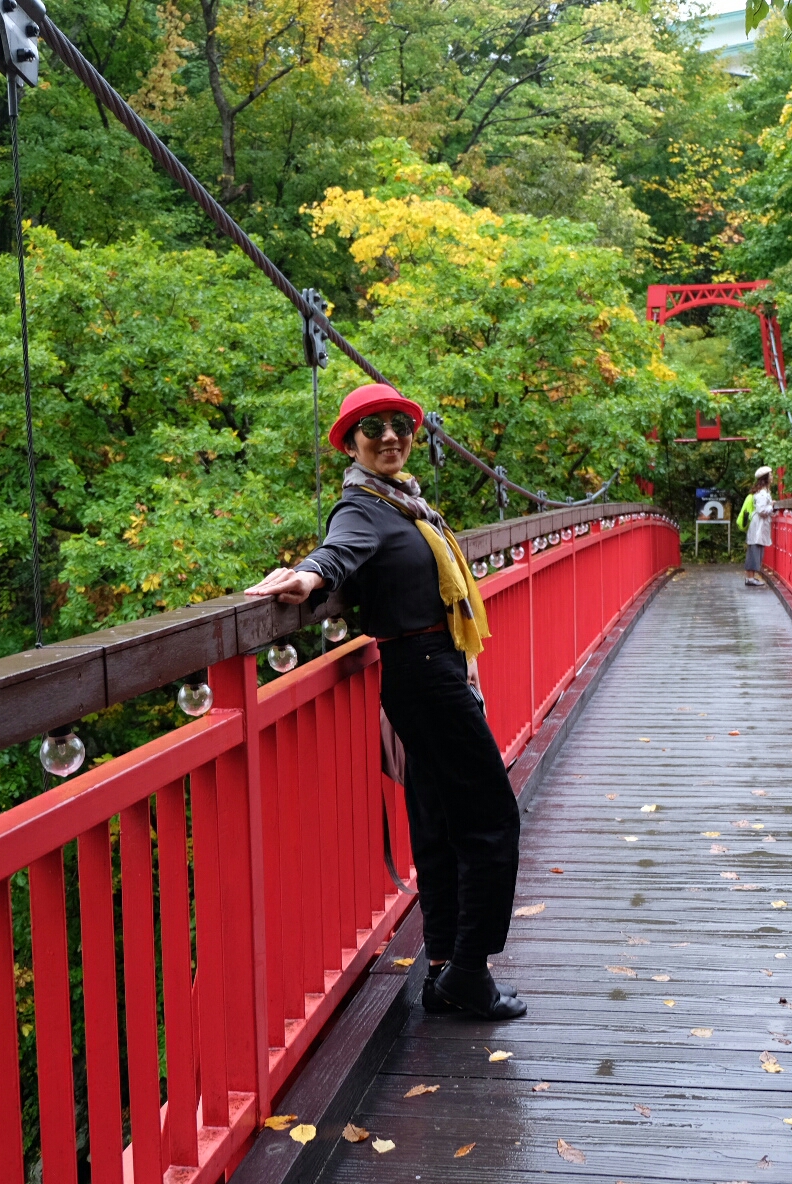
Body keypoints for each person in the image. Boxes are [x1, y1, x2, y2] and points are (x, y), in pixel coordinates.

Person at [244, 383, 527, 1021]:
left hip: (424, 671)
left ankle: (441, 968)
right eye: (374, 429)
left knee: (437, 821)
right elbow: (339, 549)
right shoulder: (364, 505)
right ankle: (470, 971)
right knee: (491, 820)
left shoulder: (405, 504)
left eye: (401, 424)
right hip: (426, 675)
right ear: (351, 442)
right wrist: (307, 575)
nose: (391, 436)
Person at [738, 465, 775, 587]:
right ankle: (750, 578)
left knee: (754, 550)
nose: (772, 477)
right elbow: (761, 510)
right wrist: (772, 506)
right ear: (766, 478)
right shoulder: (762, 494)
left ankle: (750, 577)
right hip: (758, 525)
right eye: (770, 475)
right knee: (754, 551)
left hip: (758, 525)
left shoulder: (761, 492)